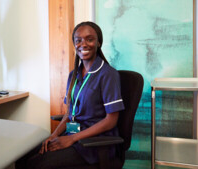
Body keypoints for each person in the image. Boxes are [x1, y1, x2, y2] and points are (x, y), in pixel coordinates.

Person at [15, 21, 124, 169]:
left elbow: (111, 121)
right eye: (78, 40)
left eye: (89, 39)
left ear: (98, 43)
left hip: (95, 143)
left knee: (37, 164)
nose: (83, 44)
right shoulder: (74, 75)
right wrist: (54, 136)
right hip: (74, 133)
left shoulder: (108, 74)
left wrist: (71, 139)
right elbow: (69, 113)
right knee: (23, 156)